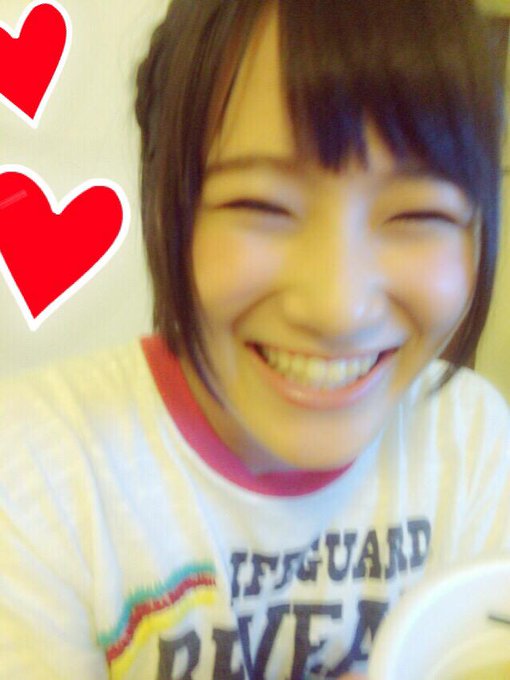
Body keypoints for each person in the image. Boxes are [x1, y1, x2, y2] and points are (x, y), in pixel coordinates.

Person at [0, 0, 509, 678]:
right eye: (259, 205)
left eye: (419, 213)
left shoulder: (473, 443)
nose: (337, 308)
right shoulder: (33, 473)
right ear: (165, 205)